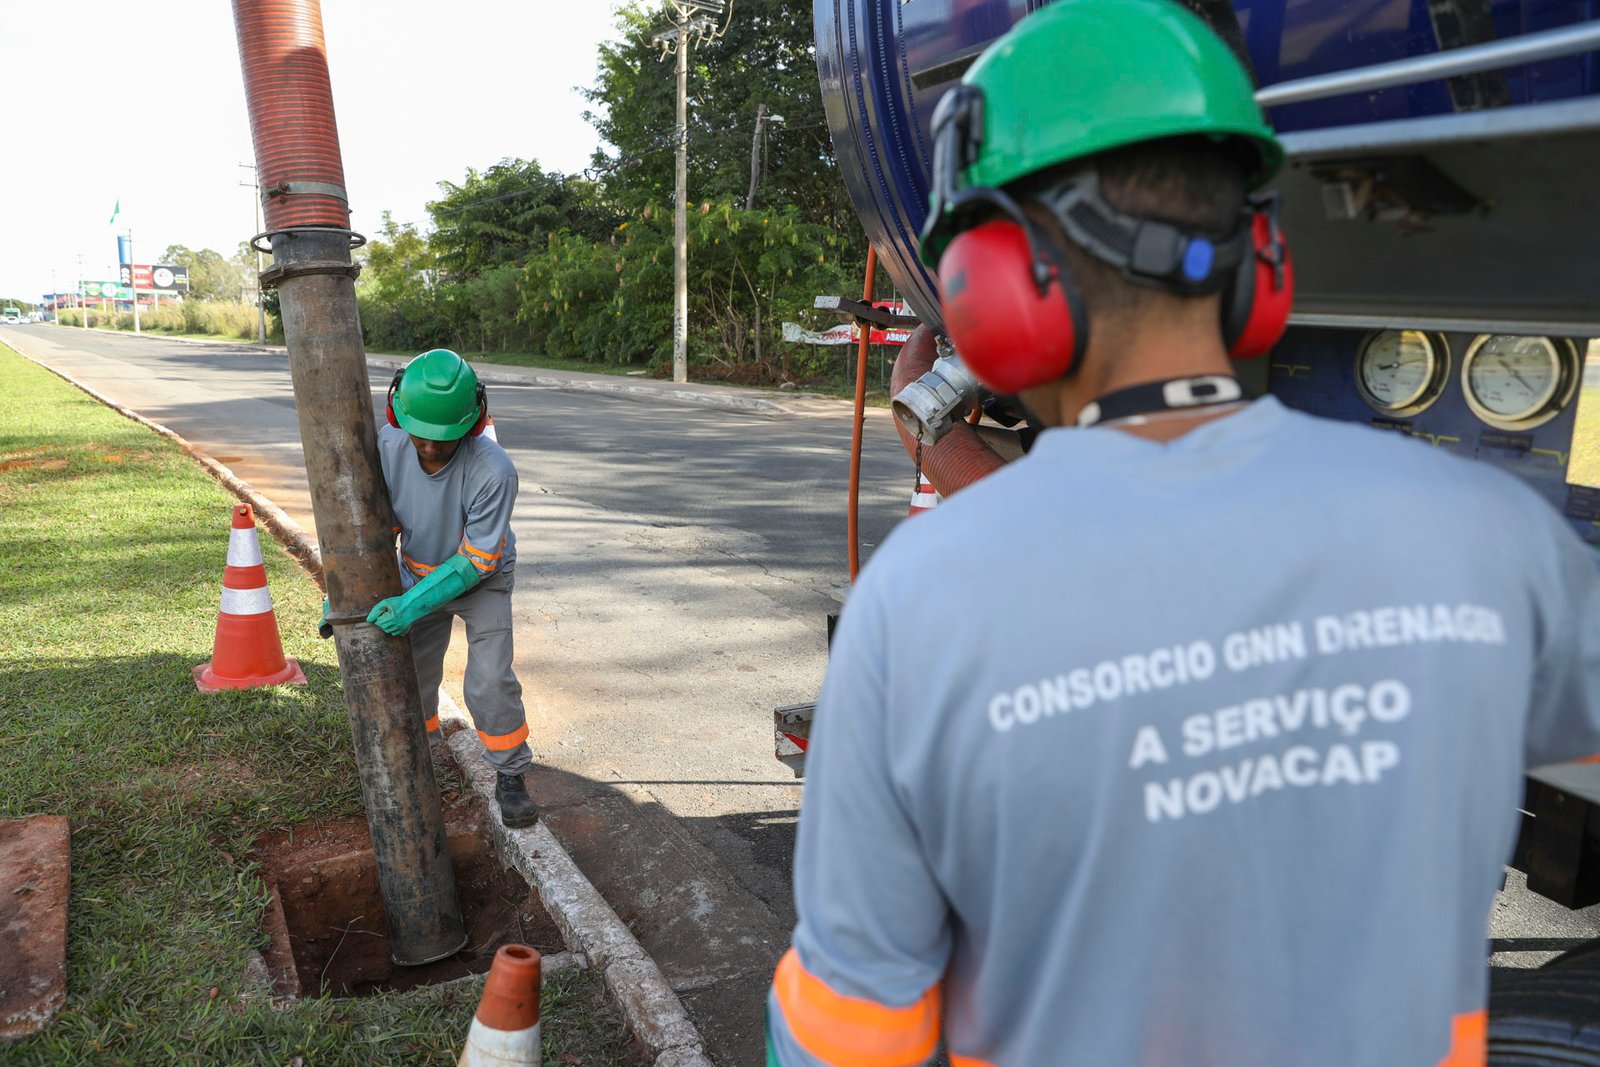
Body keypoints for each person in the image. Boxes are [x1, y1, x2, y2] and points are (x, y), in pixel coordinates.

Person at [765, 1, 1600, 1064]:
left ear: (988, 293)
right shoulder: (1490, 538)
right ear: (1262, 260)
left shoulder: (920, 601)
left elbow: (845, 1036)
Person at [368, 347, 538, 829]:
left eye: (444, 440)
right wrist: (347, 598)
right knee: (415, 675)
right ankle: (424, 756)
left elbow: (475, 561)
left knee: (489, 682)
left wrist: (408, 606)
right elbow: (374, 526)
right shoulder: (387, 446)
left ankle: (511, 776)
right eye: (421, 437)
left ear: (476, 421)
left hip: (481, 582)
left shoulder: (494, 471)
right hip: (417, 574)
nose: (430, 449)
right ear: (398, 416)